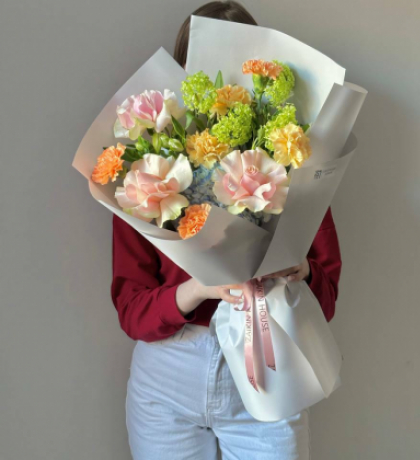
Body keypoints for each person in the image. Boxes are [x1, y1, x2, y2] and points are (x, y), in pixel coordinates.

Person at [111, 2, 342, 459]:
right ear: (186, 71)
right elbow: (132, 311)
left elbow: (327, 297)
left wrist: (301, 272)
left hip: (269, 366)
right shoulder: (147, 172)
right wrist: (198, 289)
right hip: (169, 377)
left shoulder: (295, 160)